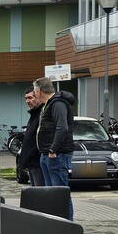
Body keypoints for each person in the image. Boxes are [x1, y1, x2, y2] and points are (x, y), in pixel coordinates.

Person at [33, 76, 76, 220]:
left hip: (57, 155)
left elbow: (62, 128)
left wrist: (53, 150)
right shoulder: (48, 104)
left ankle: (66, 224)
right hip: (47, 154)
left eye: (35, 90)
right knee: (51, 193)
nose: (34, 93)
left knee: (60, 193)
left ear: (40, 91)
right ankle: (54, 222)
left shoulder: (58, 104)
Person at [19, 87, 45, 187]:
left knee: (39, 191)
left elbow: (40, 138)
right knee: (35, 190)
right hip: (31, 162)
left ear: (38, 97)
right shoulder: (34, 114)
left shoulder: (42, 114)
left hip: (37, 161)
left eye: (30, 98)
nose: (27, 101)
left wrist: (31, 154)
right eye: (26, 98)